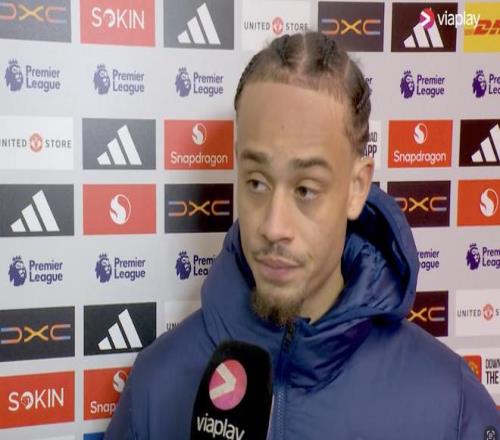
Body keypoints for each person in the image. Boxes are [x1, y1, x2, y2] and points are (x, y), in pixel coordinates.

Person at [105, 32, 499, 439]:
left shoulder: (448, 405)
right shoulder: (157, 384)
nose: (274, 227)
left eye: (306, 190)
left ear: (357, 188)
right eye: (256, 182)